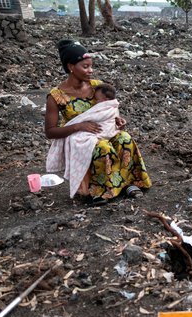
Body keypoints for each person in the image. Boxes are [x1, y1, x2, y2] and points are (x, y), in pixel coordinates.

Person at [44, 40, 151, 205]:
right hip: (79, 137)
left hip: (104, 130)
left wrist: (118, 119)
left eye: (91, 66)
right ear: (71, 66)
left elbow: (109, 108)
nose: (90, 70)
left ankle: (128, 183)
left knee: (125, 139)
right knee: (102, 148)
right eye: (85, 67)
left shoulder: (96, 86)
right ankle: (99, 191)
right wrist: (79, 126)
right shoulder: (56, 96)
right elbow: (50, 132)